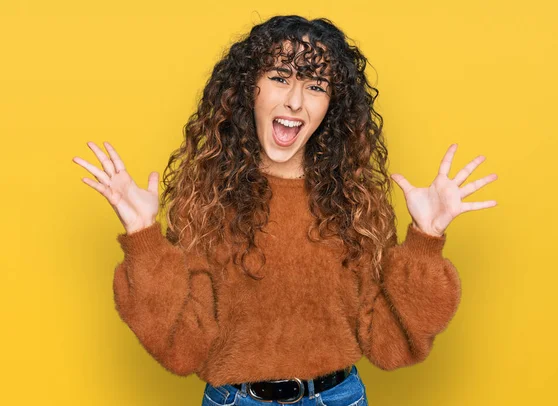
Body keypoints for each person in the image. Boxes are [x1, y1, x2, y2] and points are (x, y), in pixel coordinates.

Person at [72, 14, 498, 406]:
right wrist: (143, 237)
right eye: (280, 77)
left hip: (338, 399)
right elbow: (183, 349)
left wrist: (425, 241)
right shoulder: (205, 203)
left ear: (332, 106)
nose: (295, 101)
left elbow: (389, 345)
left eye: (316, 86)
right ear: (247, 90)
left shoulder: (354, 205)